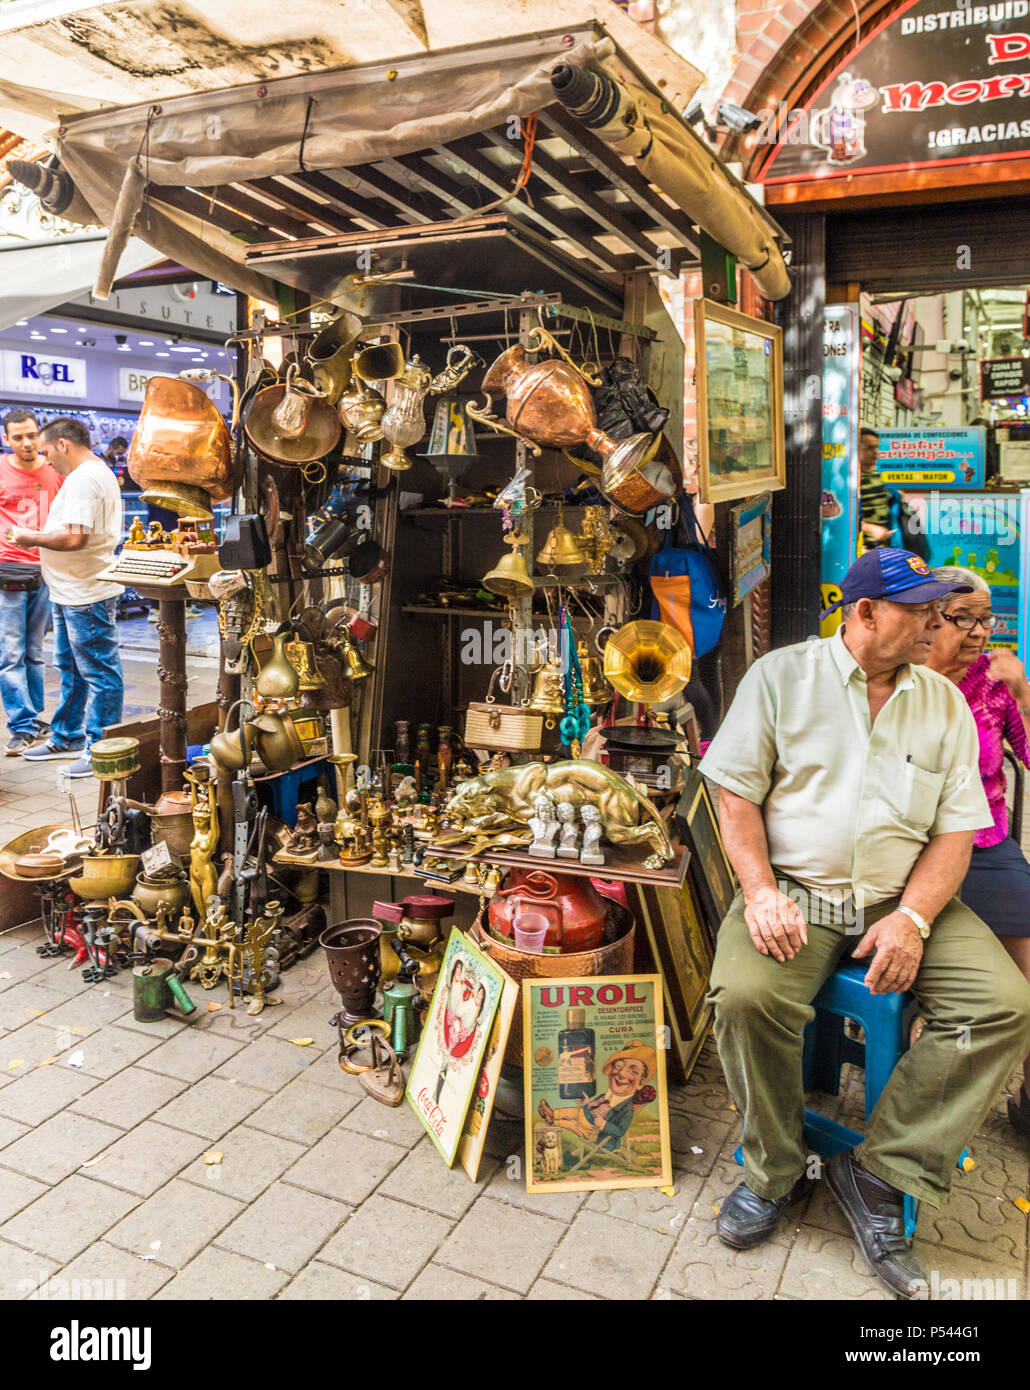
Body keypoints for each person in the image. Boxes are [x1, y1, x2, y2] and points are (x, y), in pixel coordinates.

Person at [698, 548, 1030, 1299]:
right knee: (747, 998)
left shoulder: (941, 702)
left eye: (938, 609)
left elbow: (954, 833)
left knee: (1002, 1007)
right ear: (865, 613)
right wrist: (758, 892)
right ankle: (775, 1171)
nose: (936, 624)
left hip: (897, 897)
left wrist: (913, 916)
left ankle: (881, 1171)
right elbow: (736, 797)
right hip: (797, 891)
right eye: (920, 610)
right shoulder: (782, 678)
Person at [924, 566, 1030, 1138]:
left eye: (986, 619)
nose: (979, 633)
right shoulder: (897, 677)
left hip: (985, 842)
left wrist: (1023, 692)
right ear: (927, 620)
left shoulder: (991, 682)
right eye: (963, 618)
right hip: (910, 851)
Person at [9, 416, 124, 778]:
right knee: (71, 668)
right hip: (70, 590)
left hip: (86, 592)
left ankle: (101, 748)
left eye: (45, 451)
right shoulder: (91, 473)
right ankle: (67, 736)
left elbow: (75, 538)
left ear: (63, 445)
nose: (44, 460)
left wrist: (31, 538)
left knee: (100, 673)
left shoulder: (84, 479)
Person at [0, 409, 62, 754]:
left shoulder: (55, 470)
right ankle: (21, 725)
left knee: (35, 651)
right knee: (10, 653)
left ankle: (35, 719)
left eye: (31, 434)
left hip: (47, 569)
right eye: (18, 437)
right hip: (7, 571)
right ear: (6, 439)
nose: (26, 442)